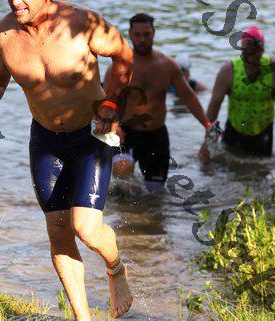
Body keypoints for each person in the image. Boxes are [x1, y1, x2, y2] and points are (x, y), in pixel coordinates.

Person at [0, 0, 134, 321]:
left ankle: (116, 268)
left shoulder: (82, 23)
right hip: (45, 139)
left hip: (91, 133)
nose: (15, 0)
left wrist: (111, 104)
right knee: (58, 230)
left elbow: (124, 56)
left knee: (85, 228)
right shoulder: (3, 35)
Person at [104, 13, 213, 190]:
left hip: (156, 135)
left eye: (146, 34)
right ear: (130, 35)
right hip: (126, 133)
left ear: (153, 34)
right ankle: (123, 206)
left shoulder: (168, 66)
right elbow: (106, 100)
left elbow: (188, 96)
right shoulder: (119, 67)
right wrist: (113, 125)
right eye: (137, 35)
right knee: (122, 177)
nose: (142, 39)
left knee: (155, 193)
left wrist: (207, 124)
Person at [204, 26, 274, 157]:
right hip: (234, 131)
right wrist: (208, 141)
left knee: (263, 166)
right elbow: (214, 107)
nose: (253, 52)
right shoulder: (229, 70)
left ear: (263, 49)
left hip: (264, 131)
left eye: (257, 47)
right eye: (249, 47)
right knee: (229, 164)